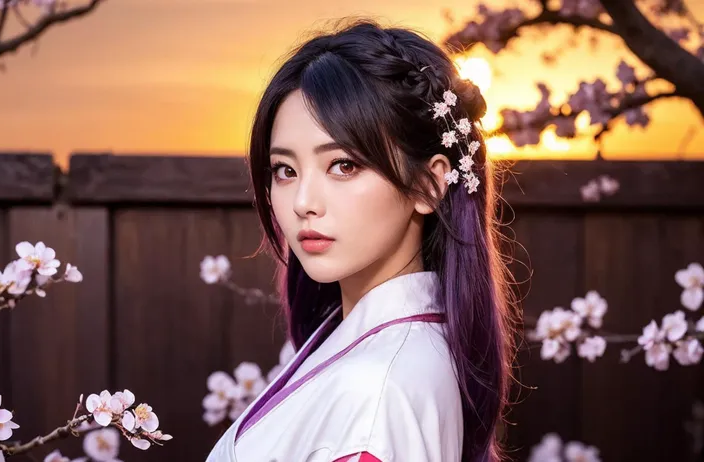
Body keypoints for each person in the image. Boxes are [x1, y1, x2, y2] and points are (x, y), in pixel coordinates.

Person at [206, 17, 517, 462]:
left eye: (343, 166)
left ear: (428, 186)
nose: (303, 202)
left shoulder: (373, 389)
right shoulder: (392, 350)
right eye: (285, 170)